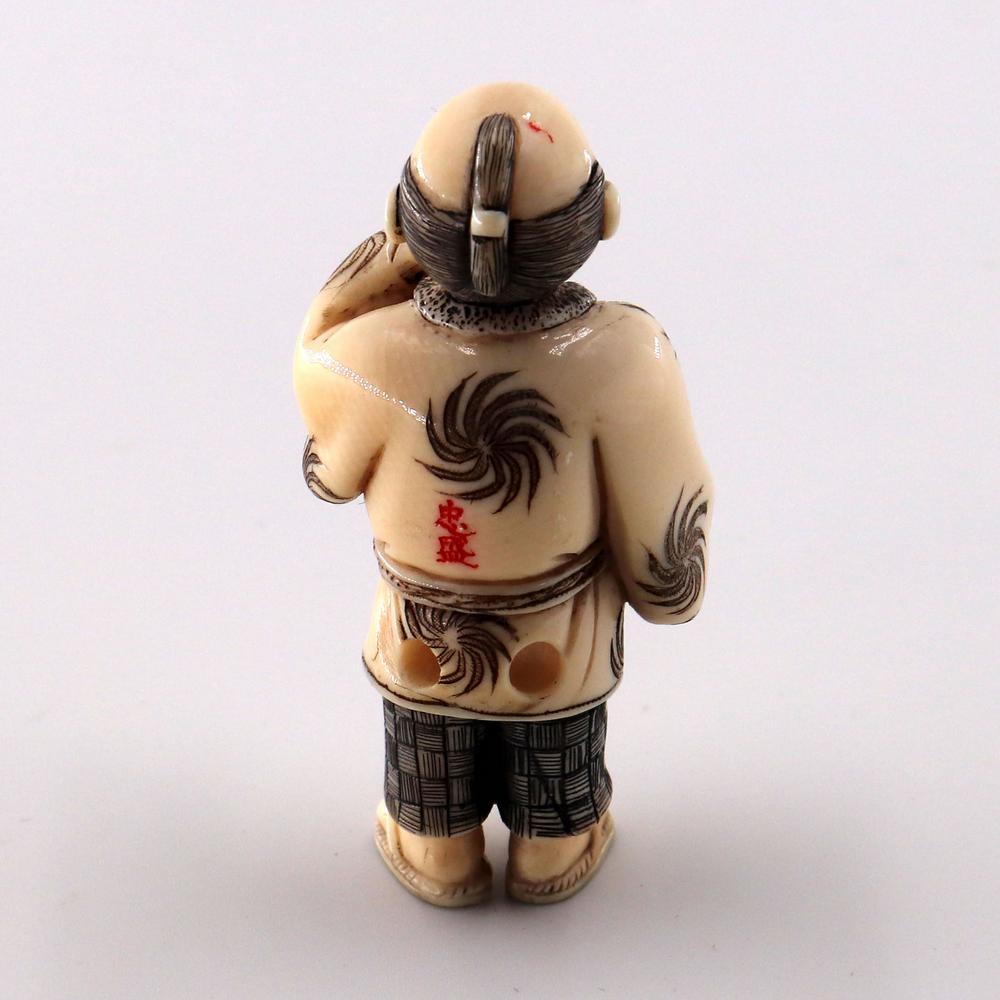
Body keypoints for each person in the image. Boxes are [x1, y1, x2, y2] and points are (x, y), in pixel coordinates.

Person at [293, 82, 713, 906]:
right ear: (602, 218)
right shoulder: (624, 354)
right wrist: (668, 589)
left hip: (421, 638)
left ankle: (437, 852)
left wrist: (373, 266)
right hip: (555, 643)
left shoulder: (367, 354)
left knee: (427, 755)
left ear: (405, 220)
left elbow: (327, 474)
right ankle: (551, 855)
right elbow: (664, 512)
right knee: (558, 760)